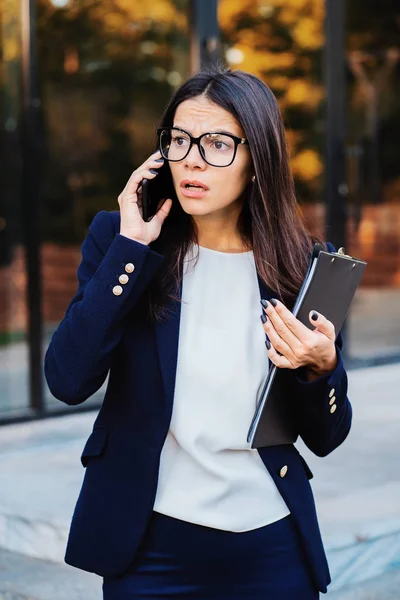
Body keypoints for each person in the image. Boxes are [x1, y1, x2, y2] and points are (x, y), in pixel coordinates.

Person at [44, 66, 352, 599]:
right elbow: (67, 380)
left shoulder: (306, 267)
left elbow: (327, 437)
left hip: (271, 543)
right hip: (149, 545)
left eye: (216, 144)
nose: (191, 158)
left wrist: (321, 368)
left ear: (258, 161)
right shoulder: (127, 245)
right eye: (180, 140)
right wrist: (130, 251)